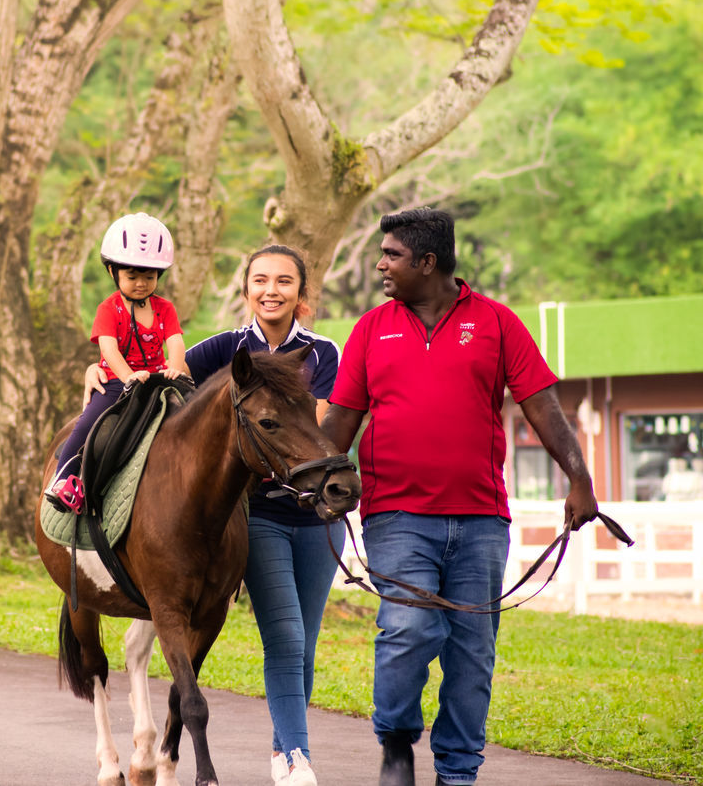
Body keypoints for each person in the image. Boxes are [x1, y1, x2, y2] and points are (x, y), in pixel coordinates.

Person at [319, 208, 598, 786]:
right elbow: (341, 422)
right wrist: (311, 483)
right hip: (396, 515)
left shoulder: (497, 323)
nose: (380, 264)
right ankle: (396, 741)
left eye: (392, 255)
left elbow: (542, 406)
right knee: (408, 630)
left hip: (480, 520)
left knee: (472, 653)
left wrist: (580, 478)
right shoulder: (372, 328)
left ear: (428, 263)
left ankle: (458, 772)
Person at [85, 245, 341, 786]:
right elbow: (168, 380)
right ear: (246, 288)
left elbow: (312, 432)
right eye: (260, 280)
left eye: (285, 281)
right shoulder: (225, 350)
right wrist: (102, 367)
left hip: (314, 516)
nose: (271, 290)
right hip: (257, 515)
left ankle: (284, 745)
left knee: (305, 645)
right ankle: (294, 758)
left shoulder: (319, 354)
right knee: (287, 637)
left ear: (302, 291)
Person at [45, 213, 188, 511]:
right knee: (87, 424)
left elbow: (175, 339)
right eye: (132, 276)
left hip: (159, 381)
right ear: (113, 272)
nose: (141, 284)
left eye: (149, 277)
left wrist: (174, 367)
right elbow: (108, 348)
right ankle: (64, 478)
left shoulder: (165, 308)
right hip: (115, 383)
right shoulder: (108, 309)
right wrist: (127, 377)